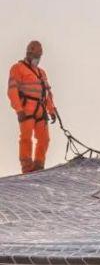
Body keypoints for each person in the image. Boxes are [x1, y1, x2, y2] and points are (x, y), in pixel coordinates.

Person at [7, 40, 57, 174]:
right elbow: (12, 91)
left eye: (39, 57)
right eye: (35, 56)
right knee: (26, 138)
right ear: (28, 53)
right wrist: (18, 109)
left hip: (41, 111)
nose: (37, 59)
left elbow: (46, 93)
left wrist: (51, 110)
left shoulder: (42, 73)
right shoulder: (17, 68)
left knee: (44, 139)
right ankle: (27, 167)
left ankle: (39, 165)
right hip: (26, 110)